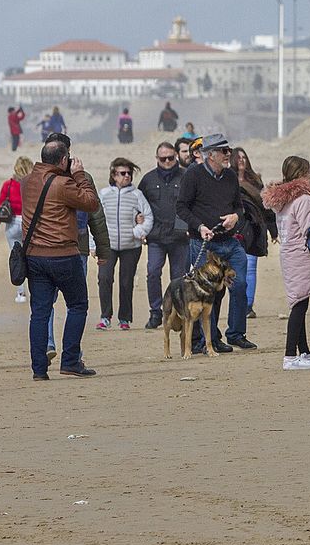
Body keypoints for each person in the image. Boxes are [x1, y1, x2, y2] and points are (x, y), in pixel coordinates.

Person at [20, 137, 100, 379]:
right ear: (64, 160)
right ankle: (70, 361)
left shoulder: (27, 181)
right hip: (63, 254)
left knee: (40, 312)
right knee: (78, 305)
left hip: (34, 256)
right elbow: (91, 203)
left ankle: (39, 369)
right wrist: (80, 175)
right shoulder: (64, 184)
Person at [175, 132, 257, 353]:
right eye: (224, 151)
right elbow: (181, 207)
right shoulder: (193, 175)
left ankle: (236, 334)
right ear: (210, 155)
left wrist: (235, 217)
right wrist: (200, 226)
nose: (228, 154)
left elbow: (239, 206)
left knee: (239, 285)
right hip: (203, 243)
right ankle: (209, 340)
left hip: (230, 242)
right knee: (208, 291)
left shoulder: (230, 176)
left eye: (228, 150)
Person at [263, 157, 310, 370]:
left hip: (288, 255)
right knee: (299, 305)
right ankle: (290, 355)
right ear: (302, 174)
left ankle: (304, 352)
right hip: (300, 256)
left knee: (300, 301)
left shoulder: (282, 200)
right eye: (308, 172)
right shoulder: (302, 200)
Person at [95, 158, 152, 331]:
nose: (126, 176)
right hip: (108, 245)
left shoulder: (137, 195)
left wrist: (138, 231)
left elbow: (148, 217)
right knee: (104, 278)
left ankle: (124, 318)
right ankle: (105, 316)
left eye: (129, 173)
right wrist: (94, 243)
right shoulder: (104, 194)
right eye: (122, 173)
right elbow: (95, 219)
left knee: (126, 282)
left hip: (131, 247)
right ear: (114, 175)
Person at [139, 142, 190, 329]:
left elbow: (193, 203)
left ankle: (178, 312)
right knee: (153, 272)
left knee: (179, 278)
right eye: (163, 158)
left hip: (180, 238)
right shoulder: (148, 180)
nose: (167, 161)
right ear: (157, 158)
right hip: (156, 237)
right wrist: (139, 222)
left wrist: (189, 227)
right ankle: (155, 311)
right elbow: (139, 205)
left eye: (170, 157)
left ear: (176, 155)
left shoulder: (186, 177)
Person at [233, 147, 271, 318]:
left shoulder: (255, 180)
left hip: (253, 228)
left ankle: (248, 305)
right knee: (236, 270)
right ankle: (238, 303)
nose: (241, 160)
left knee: (251, 267)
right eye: (238, 157)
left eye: (244, 157)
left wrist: (273, 230)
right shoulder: (227, 179)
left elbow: (264, 207)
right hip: (234, 230)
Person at [0, 156, 33, 304]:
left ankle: (21, 293)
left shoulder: (8, 185)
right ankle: (34, 289)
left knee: (16, 258)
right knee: (31, 258)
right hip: (29, 223)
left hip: (13, 224)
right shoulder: (33, 185)